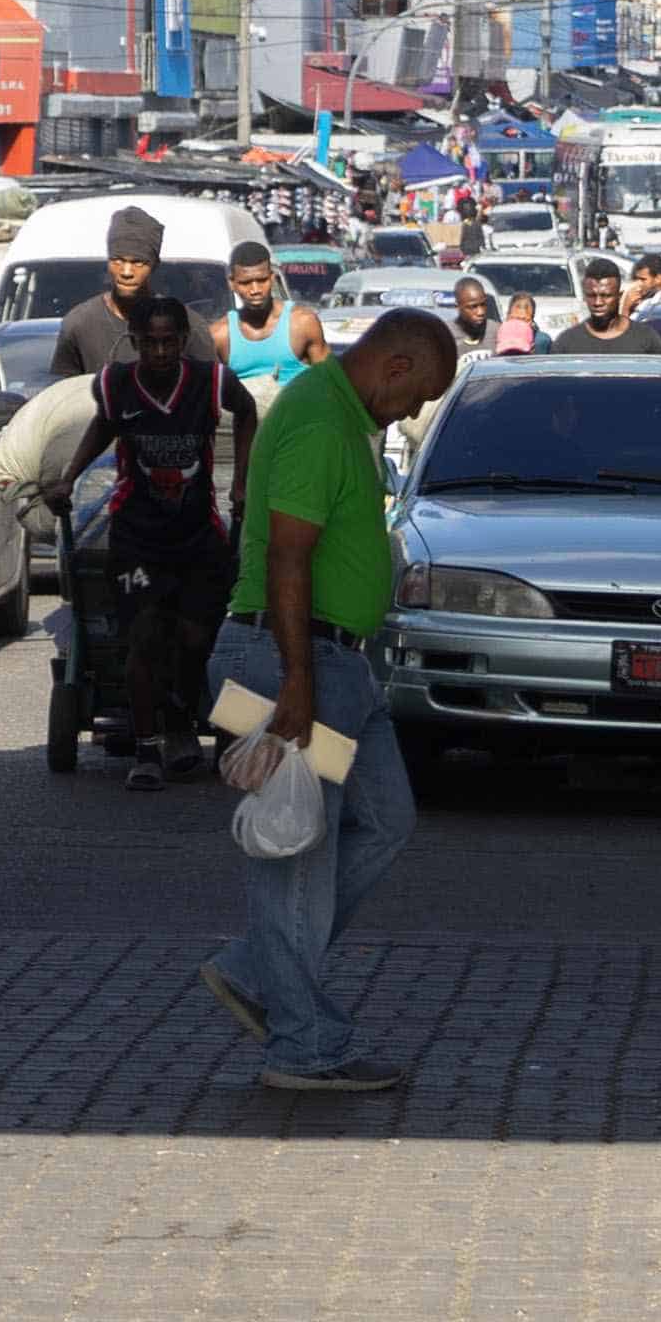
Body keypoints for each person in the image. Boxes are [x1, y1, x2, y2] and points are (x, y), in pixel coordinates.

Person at [196, 304, 464, 1101]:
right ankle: (304, 1043)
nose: (412, 413)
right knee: (296, 855)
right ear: (395, 366)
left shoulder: (344, 416)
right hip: (288, 662)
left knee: (384, 816)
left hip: (330, 664)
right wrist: (297, 687)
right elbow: (286, 556)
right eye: (419, 396)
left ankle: (259, 969)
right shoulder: (319, 418)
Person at [78, 287, 255, 784]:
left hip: (197, 532)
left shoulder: (210, 380)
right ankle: (147, 750)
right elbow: (103, 426)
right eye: (149, 343)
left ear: (183, 341)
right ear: (134, 341)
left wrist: (241, 480)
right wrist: (68, 476)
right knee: (144, 637)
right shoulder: (116, 383)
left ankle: (180, 718)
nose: (159, 352)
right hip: (137, 535)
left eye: (168, 342)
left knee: (197, 637)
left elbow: (248, 412)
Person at [51, 207, 165, 383]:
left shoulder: (183, 323)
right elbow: (63, 396)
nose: (126, 272)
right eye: (117, 260)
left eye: (138, 262)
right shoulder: (79, 324)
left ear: (155, 265)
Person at [216, 241, 320, 404]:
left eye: (262, 280)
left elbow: (330, 381)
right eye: (246, 283)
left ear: (272, 278)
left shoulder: (302, 323)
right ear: (232, 283)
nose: (255, 290)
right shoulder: (221, 335)